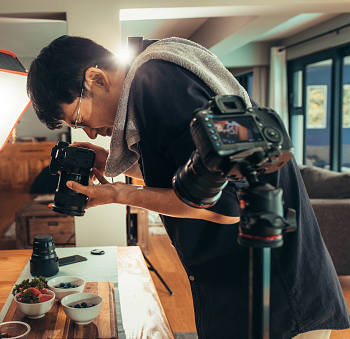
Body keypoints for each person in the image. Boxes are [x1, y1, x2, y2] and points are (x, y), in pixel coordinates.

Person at [26, 35, 350, 339]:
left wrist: (118, 194)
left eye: (80, 120)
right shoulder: (160, 65)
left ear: (96, 79)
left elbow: (224, 205)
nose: (92, 134)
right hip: (258, 289)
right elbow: (194, 176)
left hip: (276, 301)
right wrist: (122, 167)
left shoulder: (155, 81)